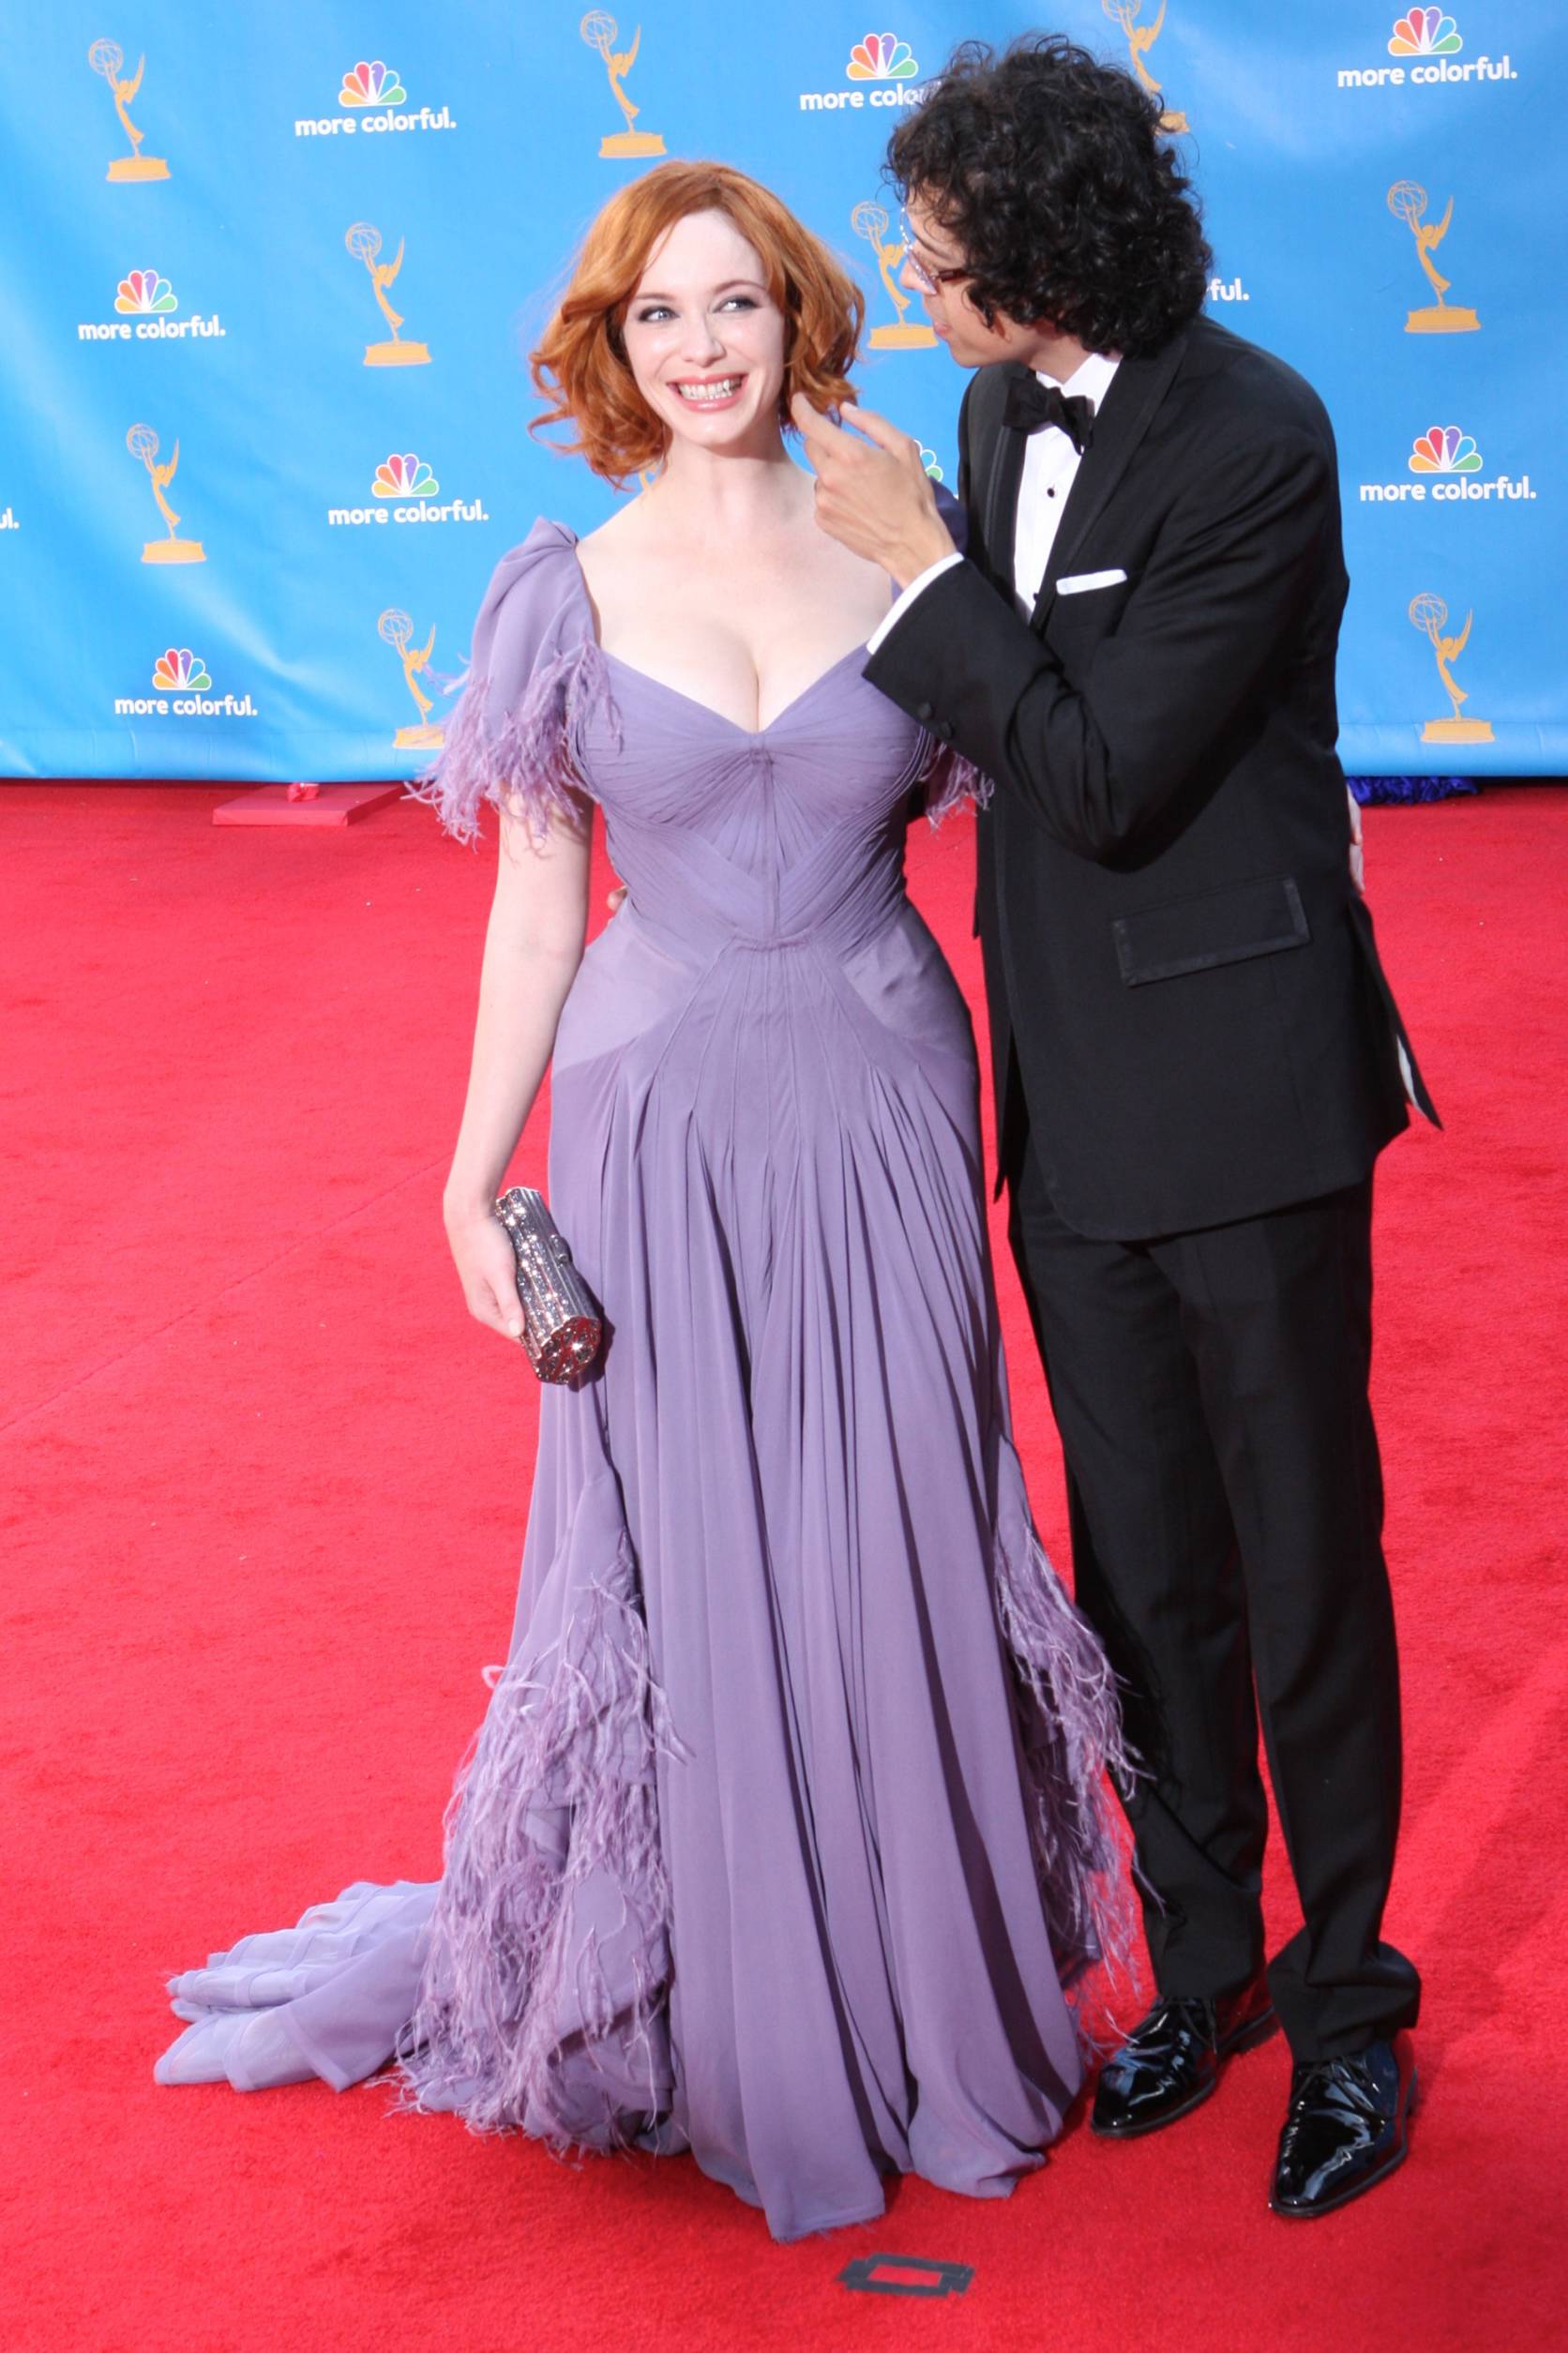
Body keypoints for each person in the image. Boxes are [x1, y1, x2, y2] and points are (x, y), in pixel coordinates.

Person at [154, 161, 1129, 2246]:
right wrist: (464, 1171)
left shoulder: (900, 539)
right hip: (650, 1116)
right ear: (611, 347)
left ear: (797, 321)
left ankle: (908, 1982)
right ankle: (716, 2001)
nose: (699, 348)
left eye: (734, 307)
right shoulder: (562, 587)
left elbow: (1045, 797)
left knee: (893, 1514)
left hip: (879, 1095)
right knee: (680, 1549)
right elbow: (534, 906)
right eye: (657, 316)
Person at [793, 37, 1430, 2221]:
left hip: (1247, 1096)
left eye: (936, 244)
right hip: (1061, 1107)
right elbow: (989, 717)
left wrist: (904, 572)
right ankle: (1203, 1969)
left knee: (1301, 1572)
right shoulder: (983, 407)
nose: (909, 272)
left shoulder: (1254, 435)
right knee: (1140, 1578)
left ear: (1040, 248)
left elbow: (1101, 773)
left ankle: (1351, 2014)